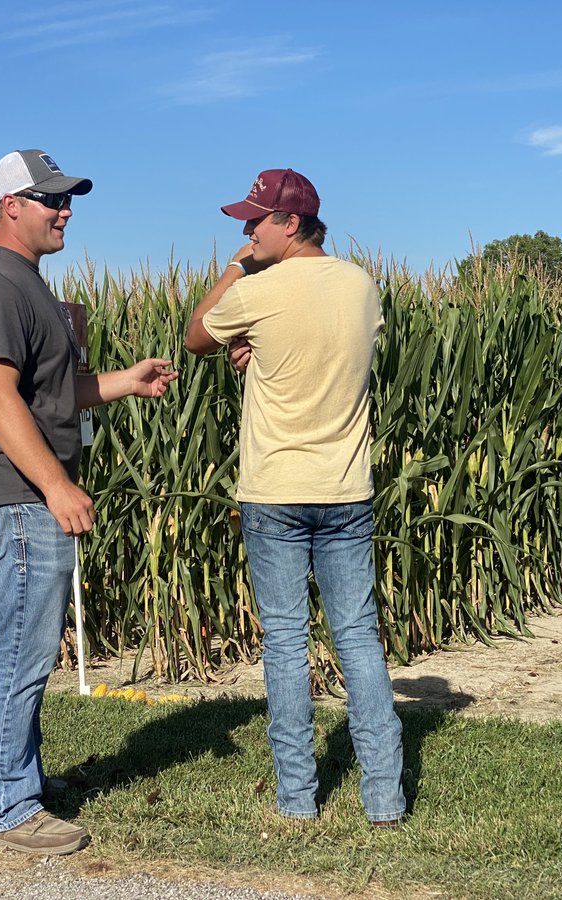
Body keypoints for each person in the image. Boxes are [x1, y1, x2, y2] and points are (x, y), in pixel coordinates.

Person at [0, 149, 177, 854]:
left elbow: (54, 392)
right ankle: (7, 811)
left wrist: (123, 383)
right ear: (10, 206)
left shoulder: (28, 283)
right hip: (15, 495)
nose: (65, 210)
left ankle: (21, 787)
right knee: (20, 651)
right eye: (51, 199)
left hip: (26, 495)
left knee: (31, 648)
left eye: (67, 198)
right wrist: (54, 483)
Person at [184, 169, 406, 827]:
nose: (246, 232)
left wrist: (236, 269)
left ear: (291, 223)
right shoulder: (362, 285)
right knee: (359, 637)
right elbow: (332, 347)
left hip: (275, 490)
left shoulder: (260, 287)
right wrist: (262, 342)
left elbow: (196, 335)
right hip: (345, 489)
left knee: (283, 641)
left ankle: (296, 800)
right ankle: (385, 799)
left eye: (255, 222)